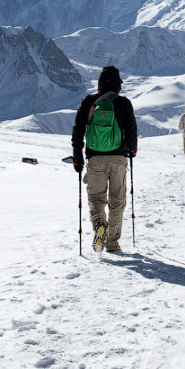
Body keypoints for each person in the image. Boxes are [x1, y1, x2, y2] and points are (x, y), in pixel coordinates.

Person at [72, 66, 138, 253]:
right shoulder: (124, 103)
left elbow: (77, 131)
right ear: (118, 84)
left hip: (95, 158)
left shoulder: (88, 102)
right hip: (118, 159)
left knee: (96, 197)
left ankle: (99, 224)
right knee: (117, 200)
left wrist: (78, 158)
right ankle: (111, 243)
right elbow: (131, 131)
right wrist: (132, 150)